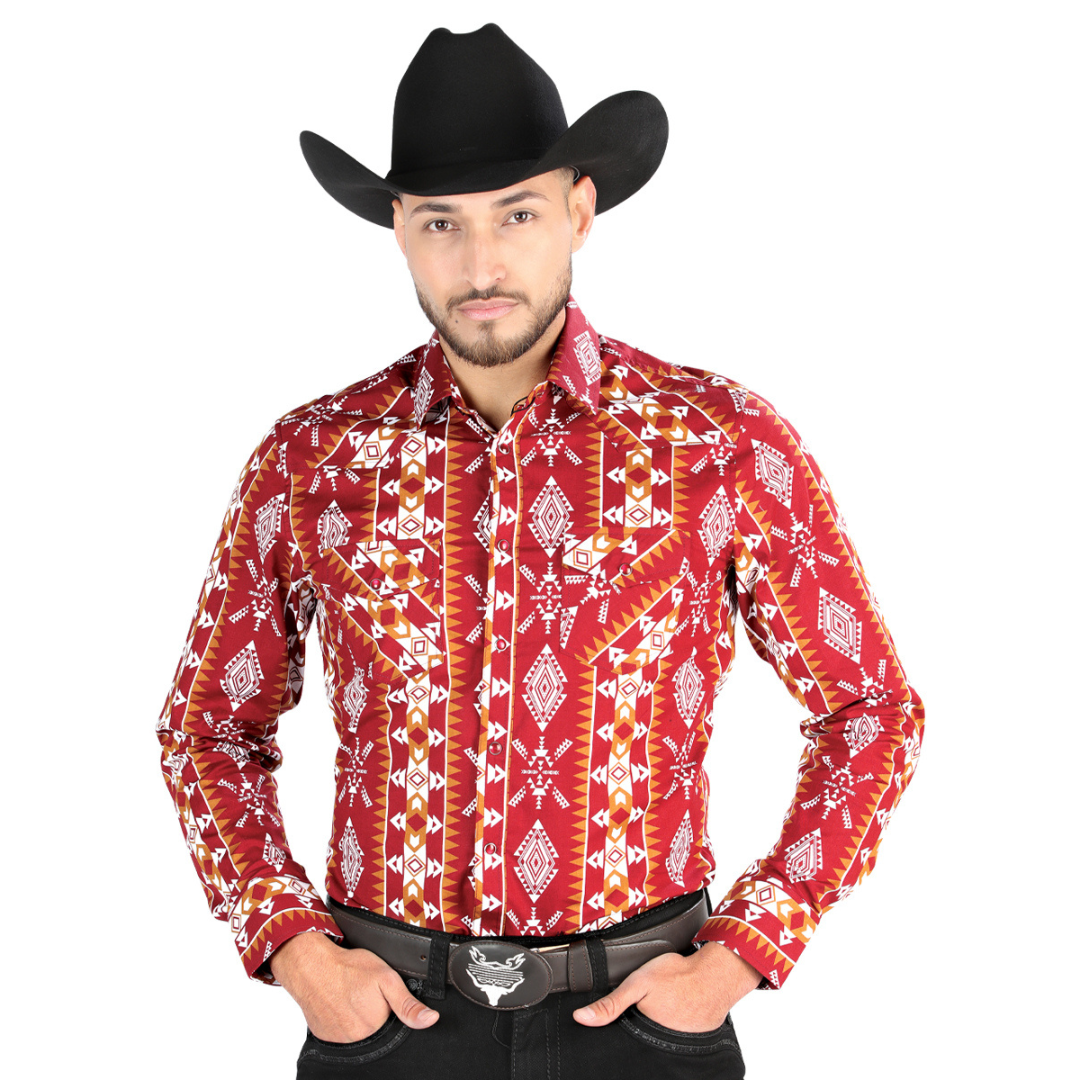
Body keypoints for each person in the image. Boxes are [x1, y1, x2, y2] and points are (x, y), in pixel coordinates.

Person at [157, 23, 924, 1080]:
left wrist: (742, 955)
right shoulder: (310, 459)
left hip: (646, 1019)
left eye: (516, 214)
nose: (480, 264)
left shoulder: (721, 443)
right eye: (441, 222)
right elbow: (207, 726)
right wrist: (291, 946)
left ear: (579, 210)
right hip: (386, 1024)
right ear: (398, 230)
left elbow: (871, 711)